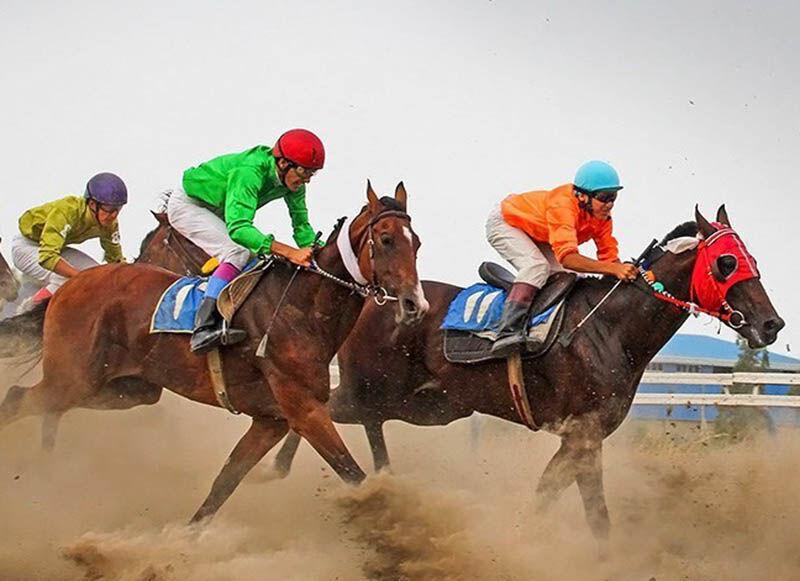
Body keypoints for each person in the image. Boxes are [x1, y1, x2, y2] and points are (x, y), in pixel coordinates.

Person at [166, 128, 325, 353]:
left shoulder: (294, 184)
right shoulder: (249, 172)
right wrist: (289, 252)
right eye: (304, 171)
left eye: (312, 173)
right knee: (238, 252)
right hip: (189, 205)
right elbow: (239, 228)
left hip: (219, 209)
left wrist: (321, 253)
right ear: (283, 163)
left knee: (256, 260)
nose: (306, 179)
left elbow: (302, 227)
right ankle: (203, 326)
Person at [485, 160, 637, 357]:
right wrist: (614, 269)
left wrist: (625, 272)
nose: (609, 204)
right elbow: (568, 258)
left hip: (539, 233)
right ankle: (508, 331)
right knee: (537, 267)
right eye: (603, 197)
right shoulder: (563, 206)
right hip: (506, 222)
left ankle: (540, 326)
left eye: (613, 197)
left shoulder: (602, 219)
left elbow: (609, 259)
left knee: (571, 277)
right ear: (582, 195)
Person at [11, 173, 127, 304]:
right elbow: (47, 257)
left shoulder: (110, 224)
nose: (113, 216)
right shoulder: (67, 211)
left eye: (118, 209)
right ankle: (27, 311)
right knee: (66, 278)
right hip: (25, 247)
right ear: (92, 204)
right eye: (109, 209)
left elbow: (115, 260)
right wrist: (79, 277)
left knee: (97, 275)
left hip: (55, 247)